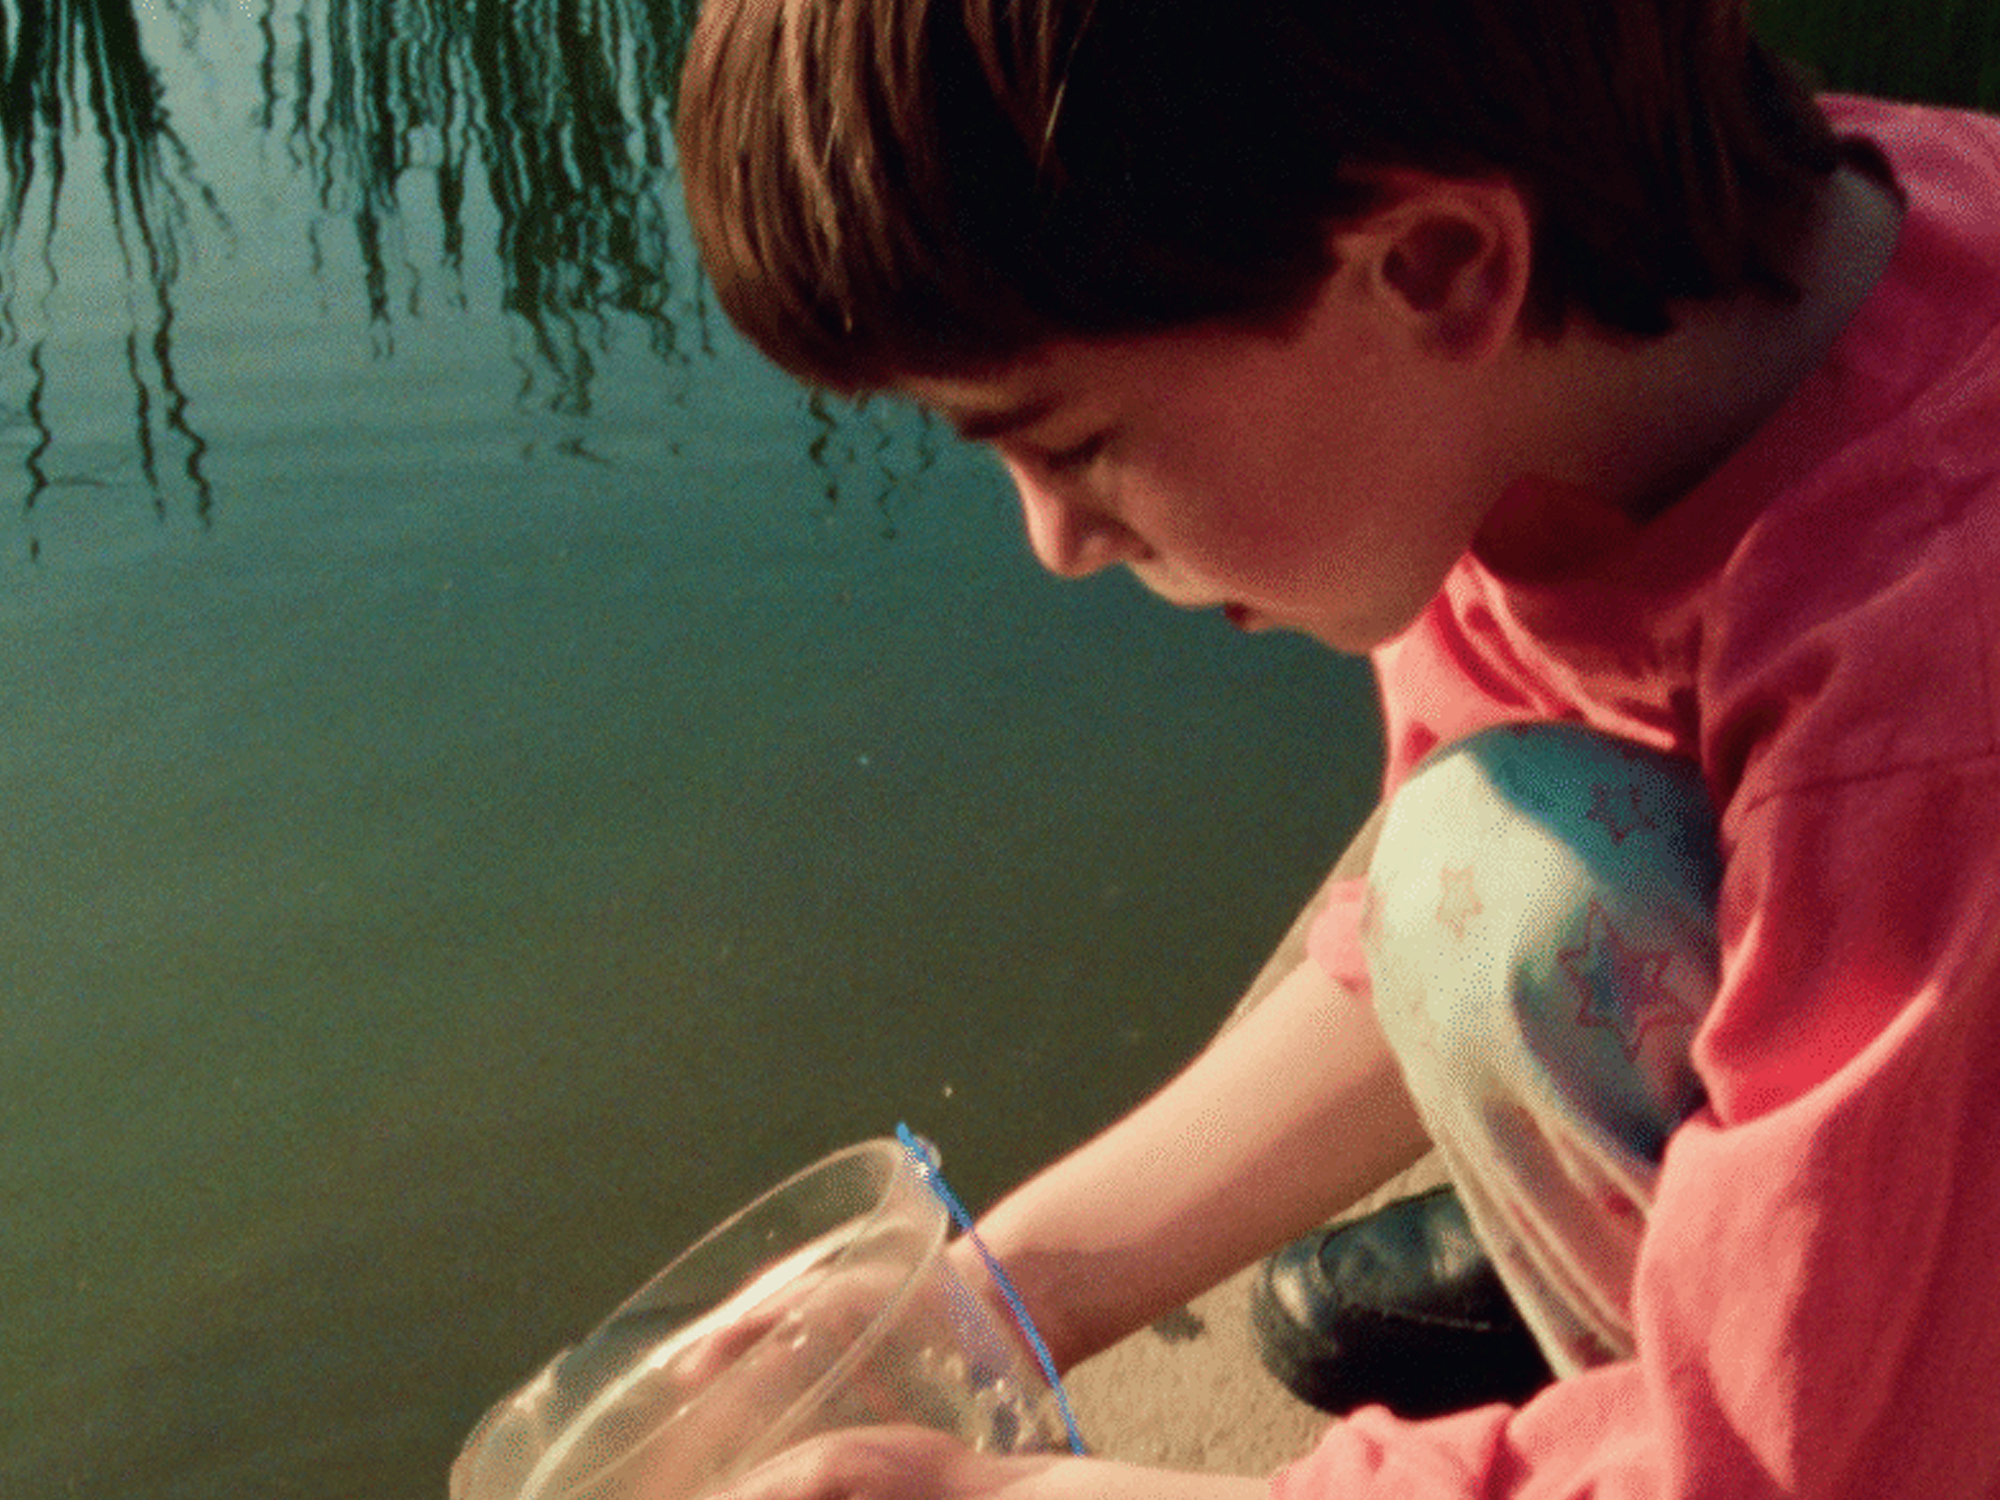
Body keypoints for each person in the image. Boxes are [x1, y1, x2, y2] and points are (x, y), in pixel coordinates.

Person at [671, 1, 2000, 1495]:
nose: (1055, 542)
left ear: (1435, 270)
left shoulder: (1928, 692)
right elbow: (1430, 935)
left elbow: (1818, 1470)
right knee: (1497, 873)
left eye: (1075, 441)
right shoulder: (1604, 361)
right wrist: (994, 1297)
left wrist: (1005, 1492)